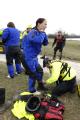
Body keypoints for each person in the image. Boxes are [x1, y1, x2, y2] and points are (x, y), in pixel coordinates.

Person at [22, 18, 48, 94]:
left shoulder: (41, 33)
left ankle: (40, 85)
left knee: (40, 71)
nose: (46, 26)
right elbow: (37, 40)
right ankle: (32, 90)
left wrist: (44, 35)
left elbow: (45, 43)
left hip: (34, 57)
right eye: (45, 24)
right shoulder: (32, 32)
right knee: (32, 74)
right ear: (39, 24)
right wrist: (42, 33)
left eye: (46, 24)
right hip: (28, 57)